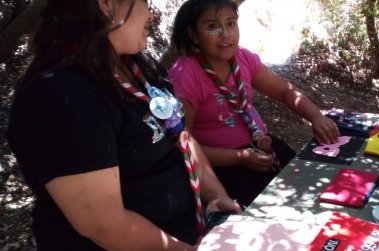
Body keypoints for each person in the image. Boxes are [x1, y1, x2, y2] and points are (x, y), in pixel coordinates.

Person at [6, 0, 241, 250]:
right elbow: (104, 225)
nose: (150, 14)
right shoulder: (61, 96)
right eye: (144, 2)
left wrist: (216, 196)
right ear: (106, 4)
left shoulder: (138, 64)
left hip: (191, 232)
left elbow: (179, 134)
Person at [168, 0, 340, 207]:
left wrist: (316, 116)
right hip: (223, 170)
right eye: (212, 26)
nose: (225, 33)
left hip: (262, 149)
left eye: (231, 23)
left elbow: (286, 91)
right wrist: (239, 158)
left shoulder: (242, 58)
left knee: (311, 196)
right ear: (193, 34)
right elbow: (183, 145)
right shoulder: (185, 74)